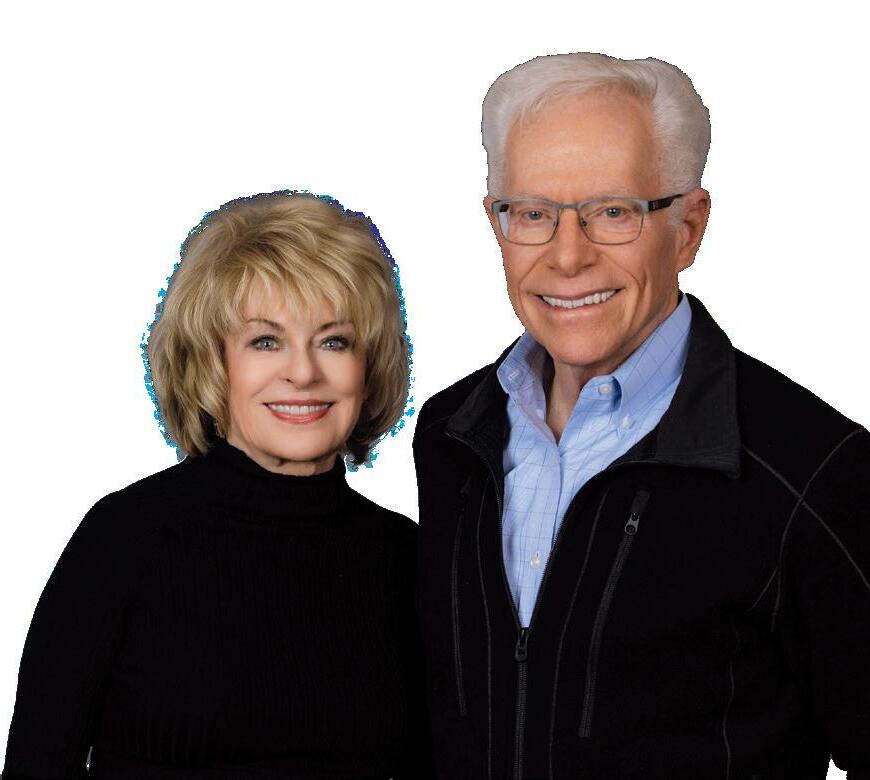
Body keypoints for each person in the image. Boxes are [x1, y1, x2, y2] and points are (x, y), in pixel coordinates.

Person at [412, 53, 870, 779]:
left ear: (688, 227)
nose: (567, 256)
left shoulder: (811, 469)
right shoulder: (451, 435)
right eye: (533, 214)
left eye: (613, 212)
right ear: (498, 225)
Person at [2, 191, 431, 778]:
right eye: (265, 341)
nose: (303, 372)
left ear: (369, 363)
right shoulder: (124, 539)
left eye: (334, 341)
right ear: (212, 363)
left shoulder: (407, 559)